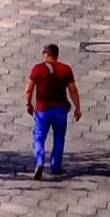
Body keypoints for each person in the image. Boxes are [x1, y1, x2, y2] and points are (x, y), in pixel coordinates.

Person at [25, 43, 80, 179]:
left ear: (47, 54)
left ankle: (39, 160)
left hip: (42, 110)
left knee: (38, 137)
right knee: (59, 137)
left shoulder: (38, 69)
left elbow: (28, 89)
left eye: (43, 52)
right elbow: (72, 89)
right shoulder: (66, 69)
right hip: (60, 110)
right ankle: (56, 167)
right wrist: (78, 107)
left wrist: (28, 104)